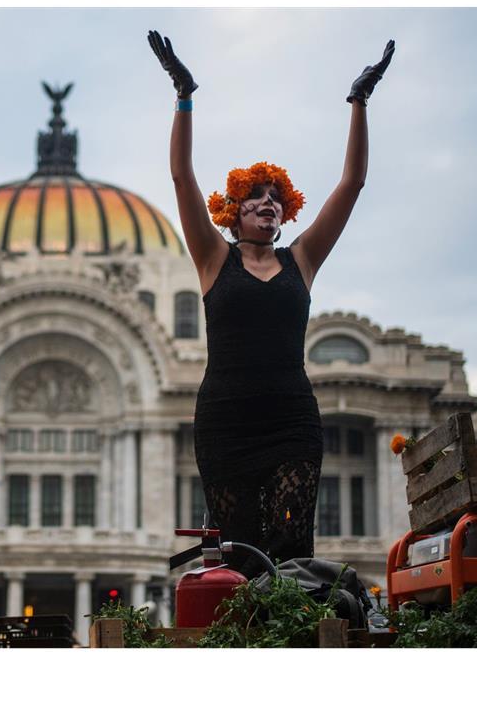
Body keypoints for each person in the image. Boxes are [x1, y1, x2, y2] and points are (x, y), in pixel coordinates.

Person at [147, 30, 395, 576]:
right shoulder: (213, 259)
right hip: (225, 419)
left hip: (290, 419)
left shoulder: (301, 261)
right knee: (240, 554)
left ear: (286, 214)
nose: (268, 204)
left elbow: (353, 183)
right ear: (233, 211)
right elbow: (181, 176)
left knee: (290, 547)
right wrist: (183, 96)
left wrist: (359, 102)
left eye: (276, 199)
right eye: (256, 197)